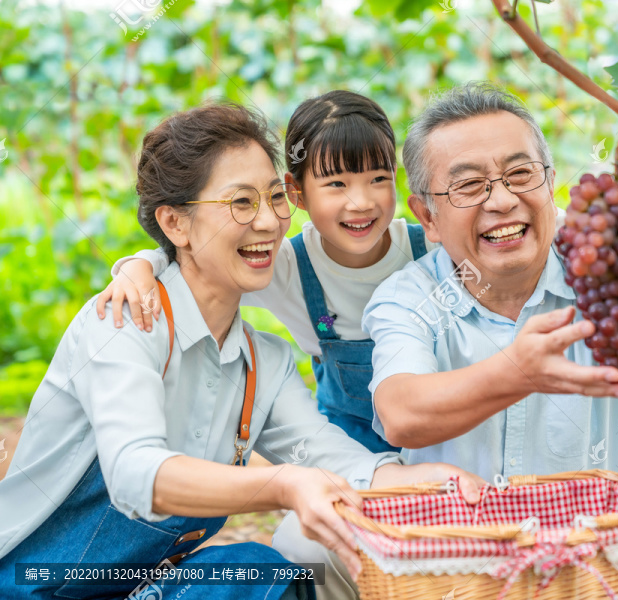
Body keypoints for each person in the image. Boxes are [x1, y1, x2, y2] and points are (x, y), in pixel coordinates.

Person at [0, 102, 482, 600]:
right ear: (175, 224)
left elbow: (334, 457)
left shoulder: (262, 364)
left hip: (131, 589)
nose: (272, 222)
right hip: (30, 585)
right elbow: (135, 475)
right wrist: (282, 484)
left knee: (256, 567)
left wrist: (427, 478)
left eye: (275, 198)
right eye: (241, 203)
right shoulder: (125, 322)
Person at [363, 82, 618, 479]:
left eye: (522, 174)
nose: (504, 200)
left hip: (597, 556)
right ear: (427, 218)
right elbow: (402, 415)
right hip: (461, 556)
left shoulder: (616, 273)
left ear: (550, 182)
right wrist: (516, 373)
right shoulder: (411, 298)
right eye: (469, 185)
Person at [99, 90, 435, 455]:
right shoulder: (285, 267)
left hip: (440, 438)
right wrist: (140, 266)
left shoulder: (430, 250)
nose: (362, 202)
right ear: (296, 193)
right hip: (345, 449)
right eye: (336, 184)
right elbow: (202, 261)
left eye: (378, 179)